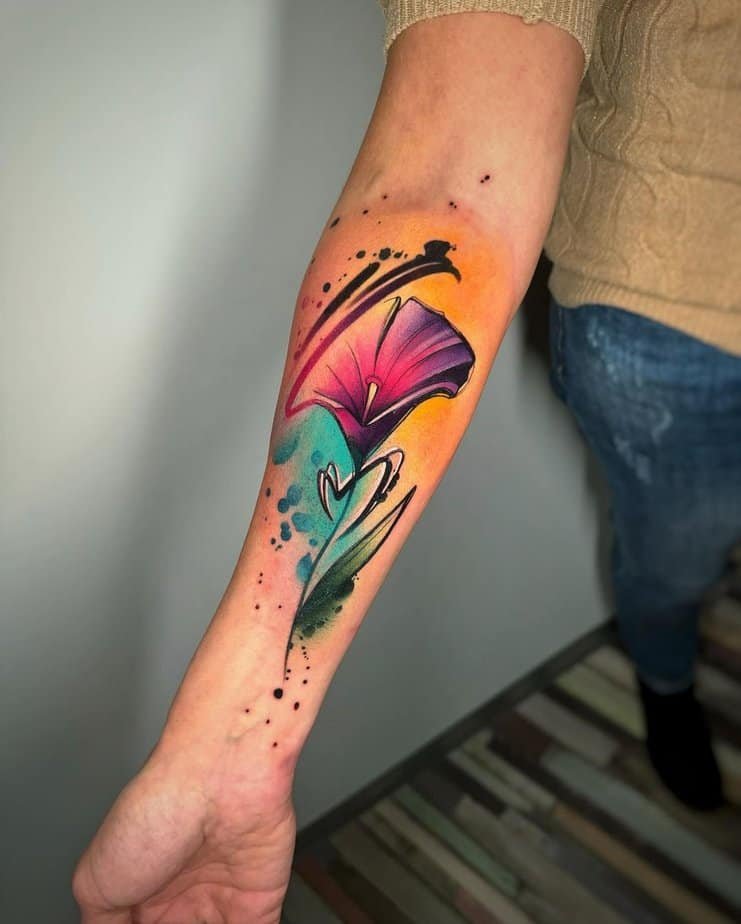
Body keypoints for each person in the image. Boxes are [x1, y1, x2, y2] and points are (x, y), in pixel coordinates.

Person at [73, 2, 741, 921]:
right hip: (686, 317)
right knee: (675, 563)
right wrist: (238, 741)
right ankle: (665, 681)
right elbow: (445, 188)